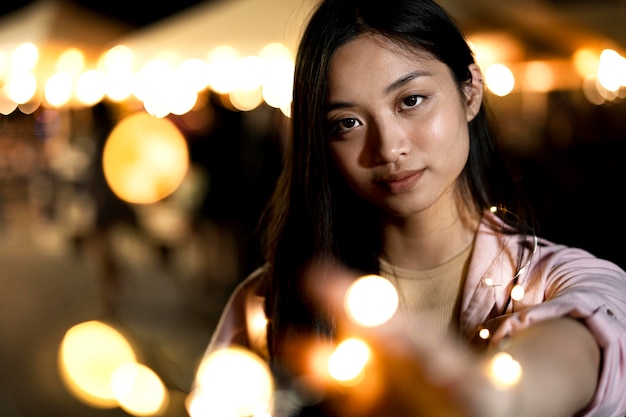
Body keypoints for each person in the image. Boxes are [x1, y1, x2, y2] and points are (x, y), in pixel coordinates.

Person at [189, 0, 626, 416]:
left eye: (411, 101)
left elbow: (593, 337)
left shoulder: (551, 279)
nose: (389, 147)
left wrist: (501, 398)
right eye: (348, 123)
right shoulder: (270, 302)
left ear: (470, 91)